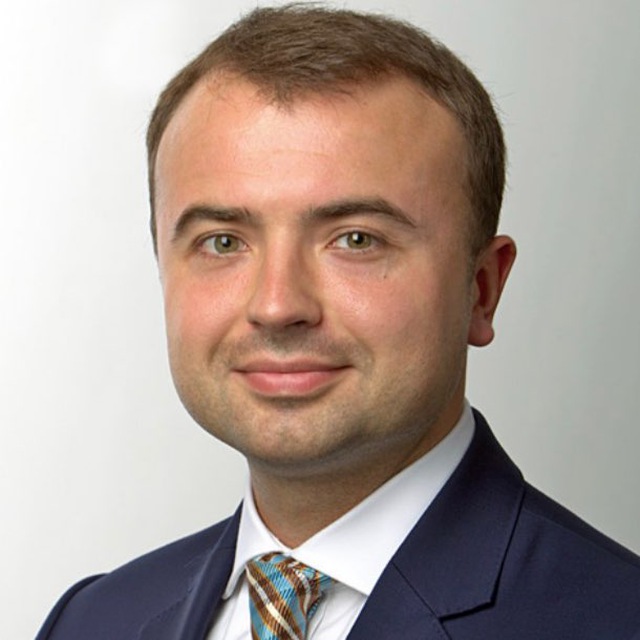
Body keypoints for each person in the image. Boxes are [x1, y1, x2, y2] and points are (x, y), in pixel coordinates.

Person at [37, 5, 640, 639]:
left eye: (356, 239)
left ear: (482, 290)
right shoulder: (92, 620)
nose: (277, 306)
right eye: (223, 242)